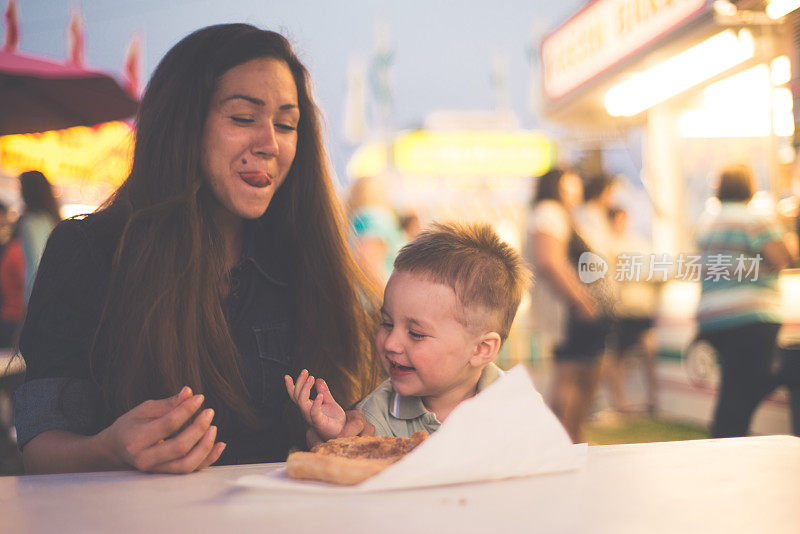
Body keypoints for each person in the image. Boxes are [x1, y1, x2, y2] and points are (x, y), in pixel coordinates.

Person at [14, 24, 382, 475]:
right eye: (244, 118)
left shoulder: (304, 261)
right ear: (183, 125)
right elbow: (38, 448)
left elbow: (340, 417)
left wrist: (340, 433)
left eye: (286, 125)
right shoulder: (89, 251)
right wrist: (110, 448)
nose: (270, 144)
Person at [285, 222, 530, 439]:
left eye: (416, 333)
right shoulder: (372, 418)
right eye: (387, 323)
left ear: (480, 349)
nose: (390, 343)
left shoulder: (520, 406)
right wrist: (341, 438)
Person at [696, 164, 791, 438]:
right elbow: (781, 258)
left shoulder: (707, 221)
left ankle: (726, 437)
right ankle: (728, 440)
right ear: (750, 187)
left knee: (734, 385)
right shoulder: (754, 219)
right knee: (749, 385)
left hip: (713, 317)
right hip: (751, 315)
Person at [527, 168, 607, 443]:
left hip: (573, 308)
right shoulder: (549, 212)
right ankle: (566, 438)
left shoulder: (556, 214)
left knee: (580, 372)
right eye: (569, 186)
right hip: (568, 311)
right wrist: (580, 300)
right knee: (572, 374)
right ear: (556, 187)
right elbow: (549, 261)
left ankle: (570, 436)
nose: (575, 192)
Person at [604, 207, 659, 415]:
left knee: (647, 350)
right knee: (619, 357)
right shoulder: (607, 243)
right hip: (621, 310)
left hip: (641, 308)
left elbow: (651, 269)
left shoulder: (637, 243)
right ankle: (620, 402)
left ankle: (653, 398)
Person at [346, 176, 405, 288]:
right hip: (376, 297)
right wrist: (386, 297)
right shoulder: (374, 217)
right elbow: (368, 262)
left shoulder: (357, 218)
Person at [16, 171, 61, 303]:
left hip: (36, 297)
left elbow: (36, 264)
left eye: (21, 188)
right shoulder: (52, 219)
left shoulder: (31, 223)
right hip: (50, 295)